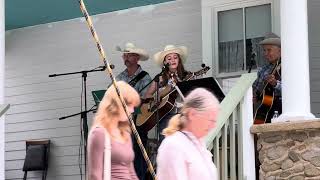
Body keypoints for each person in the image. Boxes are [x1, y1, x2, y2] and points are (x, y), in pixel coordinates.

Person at [156, 88, 220, 180]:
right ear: (192, 114)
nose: (213, 126)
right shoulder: (173, 145)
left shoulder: (199, 144)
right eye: (210, 120)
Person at [87, 81, 140, 180]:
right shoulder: (99, 133)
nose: (132, 110)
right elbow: (95, 174)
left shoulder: (125, 134)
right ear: (117, 104)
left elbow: (131, 172)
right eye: (129, 105)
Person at [115, 42, 152, 180]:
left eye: (129, 54)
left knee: (137, 156)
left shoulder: (145, 77)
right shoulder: (119, 77)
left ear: (137, 58)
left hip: (138, 122)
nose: (125, 57)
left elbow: (144, 102)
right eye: (124, 54)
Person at [144, 44, 191, 141]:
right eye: (169, 58)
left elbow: (191, 96)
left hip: (182, 116)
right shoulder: (160, 78)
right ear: (165, 62)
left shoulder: (187, 76)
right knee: (166, 145)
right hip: (165, 117)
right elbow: (147, 95)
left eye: (175, 57)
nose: (172, 60)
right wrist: (155, 100)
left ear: (179, 60)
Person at [252, 33, 282, 124]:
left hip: (279, 108)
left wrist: (275, 83)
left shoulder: (287, 66)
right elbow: (255, 89)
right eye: (264, 50)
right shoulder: (263, 69)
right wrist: (253, 95)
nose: (266, 54)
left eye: (269, 50)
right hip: (263, 107)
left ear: (280, 51)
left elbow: (291, 90)